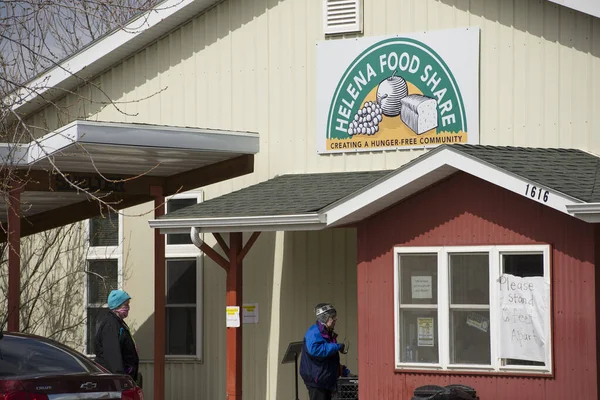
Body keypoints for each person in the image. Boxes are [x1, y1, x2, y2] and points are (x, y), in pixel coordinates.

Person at [300, 303, 351, 400]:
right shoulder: (314, 332)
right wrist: (336, 346)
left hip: (325, 380)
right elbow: (315, 350)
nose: (335, 320)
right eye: (332, 317)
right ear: (325, 318)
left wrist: (344, 371)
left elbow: (330, 360)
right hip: (317, 382)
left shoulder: (327, 332)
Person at [94, 289, 140, 385]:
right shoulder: (111, 325)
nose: (128, 308)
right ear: (117, 306)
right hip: (114, 381)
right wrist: (121, 379)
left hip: (125, 376)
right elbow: (113, 355)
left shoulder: (119, 323)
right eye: (126, 305)